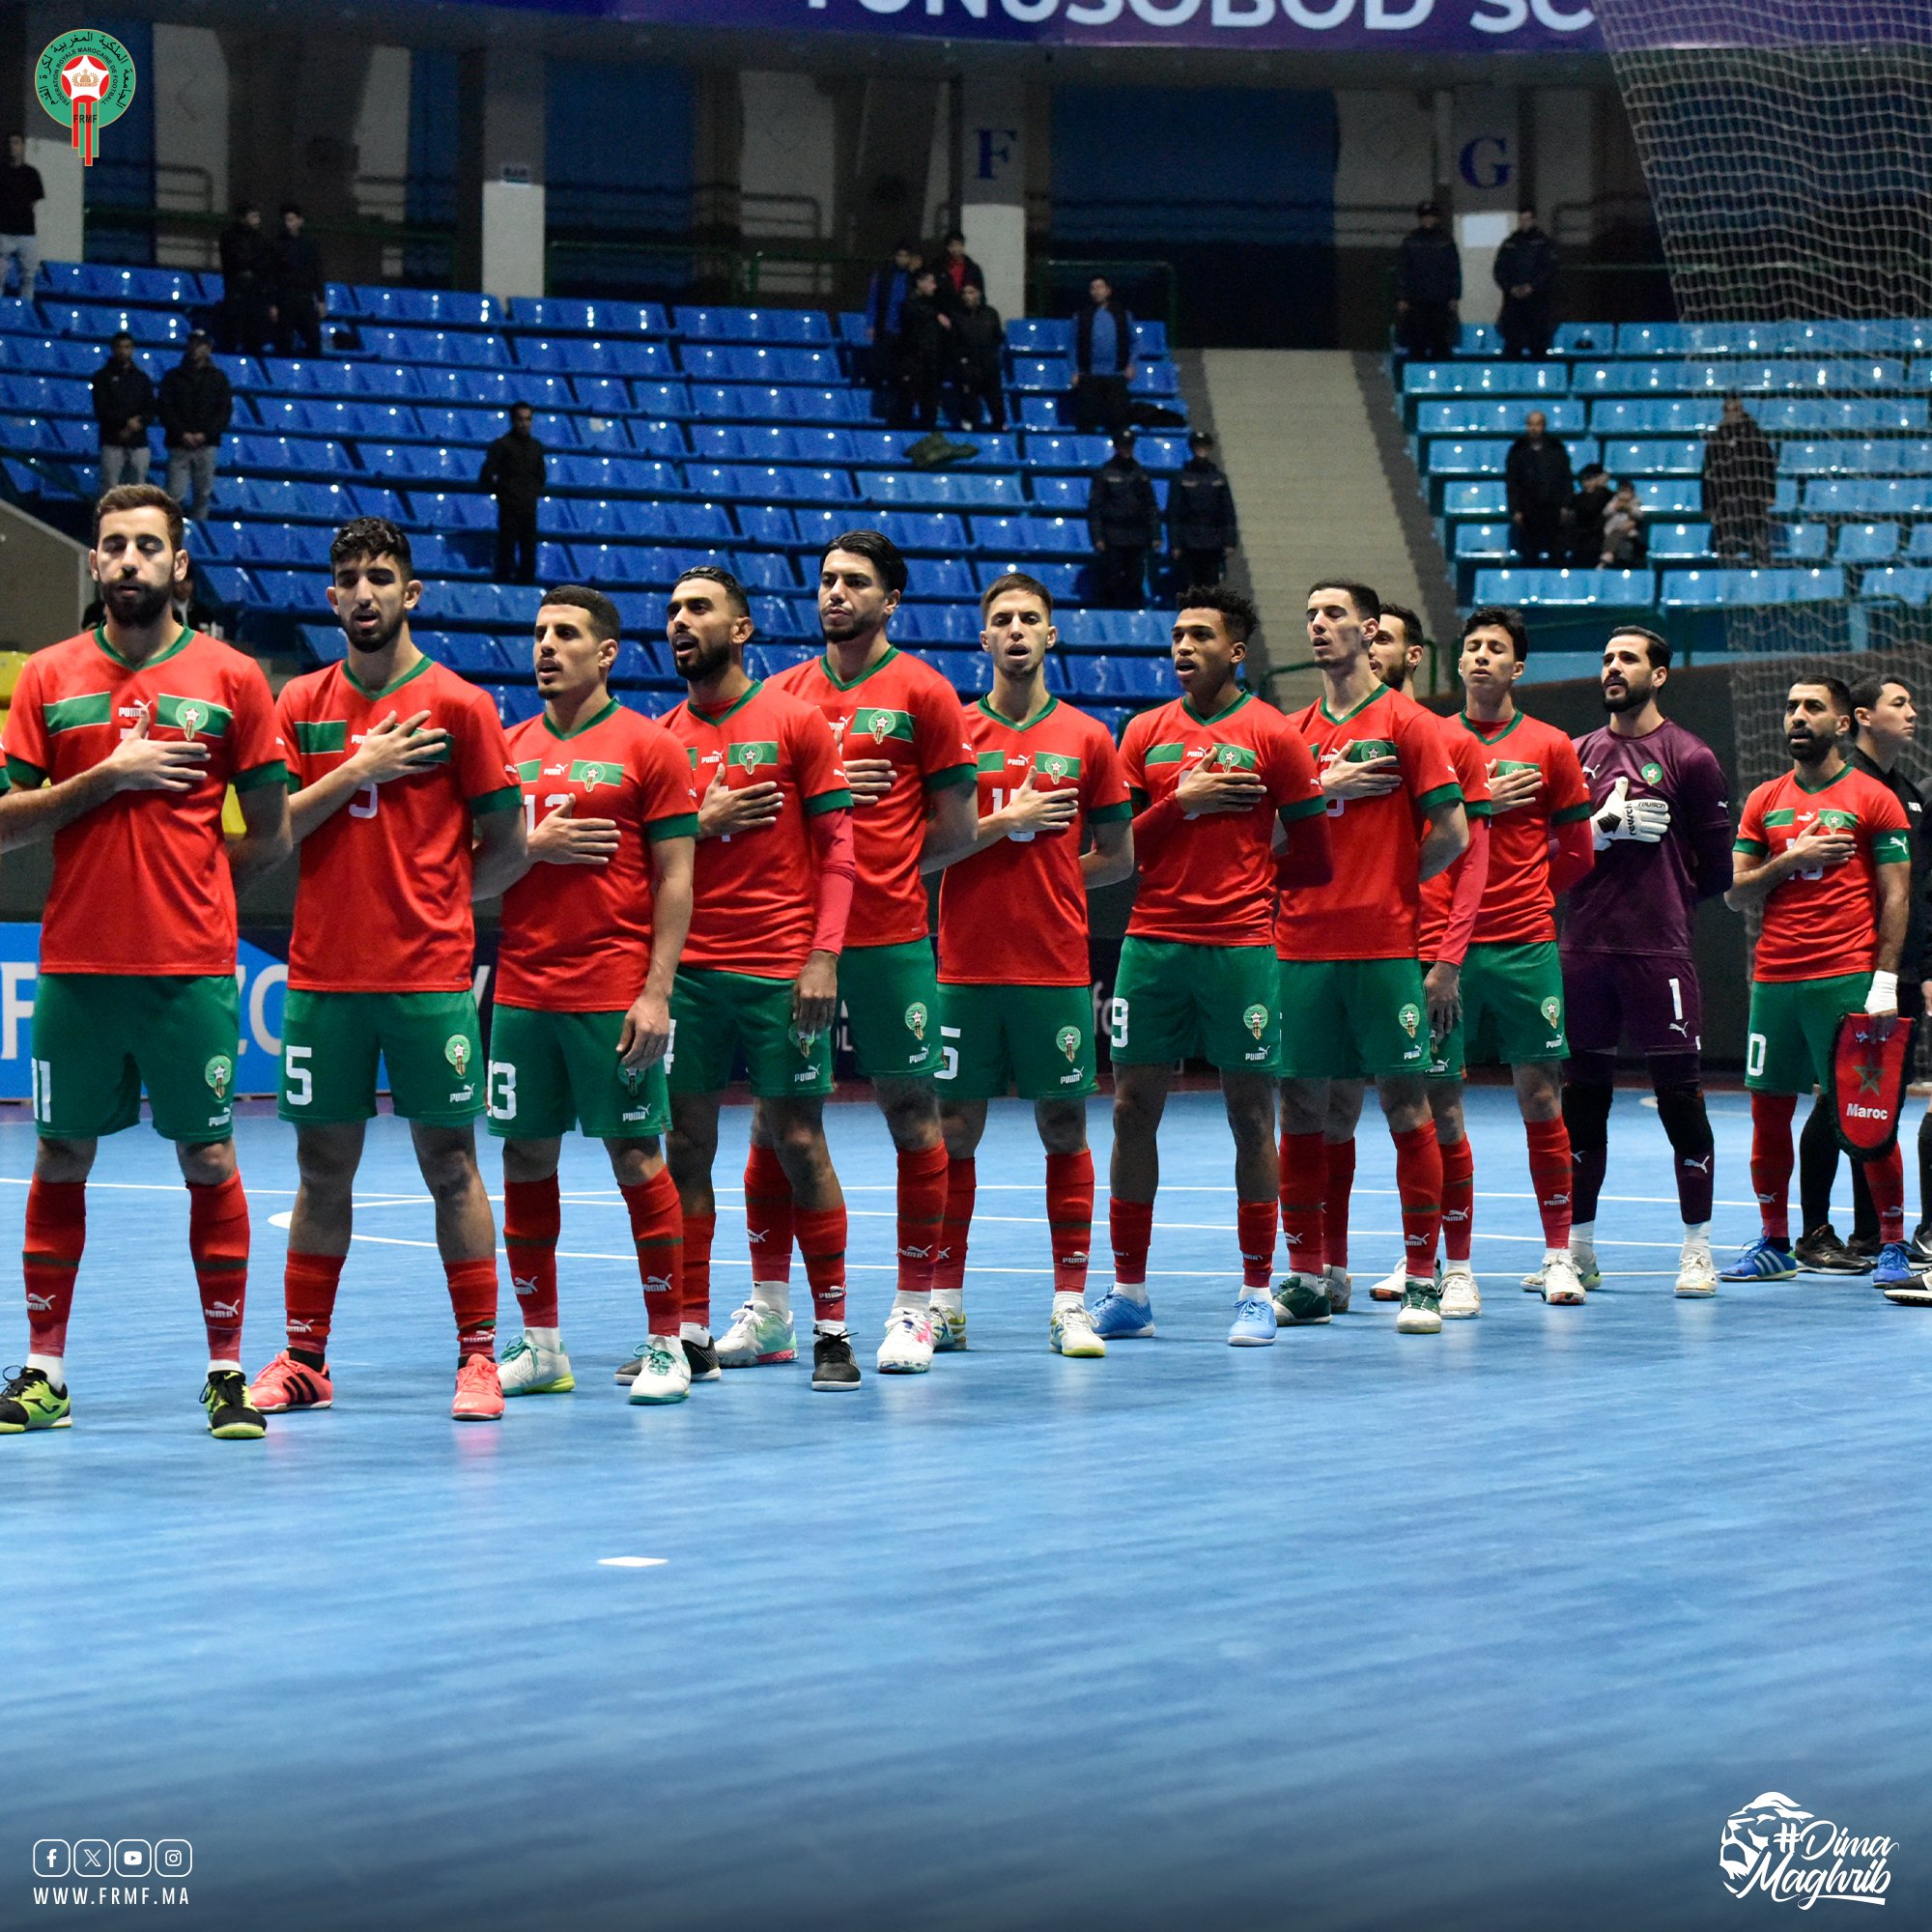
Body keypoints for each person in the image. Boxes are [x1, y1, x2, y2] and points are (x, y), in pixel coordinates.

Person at [0, 483, 291, 1440]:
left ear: (179, 566)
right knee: (60, 1154)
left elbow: (273, 831)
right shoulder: (46, 676)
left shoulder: (233, 678)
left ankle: (224, 1370)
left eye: (146, 546)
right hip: (79, 969)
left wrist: (197, 878)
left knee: (209, 1156)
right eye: (112, 545)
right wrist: (106, 779)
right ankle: (44, 1370)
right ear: (94, 563)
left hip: (190, 971)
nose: (128, 560)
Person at [247, 517, 527, 1421]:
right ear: (330, 597)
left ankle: (479, 1358)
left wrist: (441, 894)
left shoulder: (459, 704)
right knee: (321, 1168)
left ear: (410, 594)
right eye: (347, 578)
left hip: (428, 980)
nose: (363, 592)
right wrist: (358, 767)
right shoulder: (299, 704)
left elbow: (510, 843)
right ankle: (305, 1360)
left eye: (380, 577)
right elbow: (273, 832)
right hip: (325, 980)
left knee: (450, 1165)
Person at [1096, 585, 1329, 1347]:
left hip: (1239, 949)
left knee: (1250, 1114)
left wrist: (1249, 892)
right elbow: (1122, 849)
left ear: (1236, 651)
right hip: (1152, 943)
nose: (1182, 647)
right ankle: (1129, 1292)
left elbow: (1315, 856)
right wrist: (1183, 802)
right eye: (1175, 636)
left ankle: (1258, 1291)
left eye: (1200, 635)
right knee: (1131, 1110)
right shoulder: (1143, 733)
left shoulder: (1273, 734)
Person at [769, 531, 980, 1371]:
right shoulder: (784, 695)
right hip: (794, 938)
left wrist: (883, 866)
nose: (834, 594)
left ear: (890, 600)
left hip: (892, 935)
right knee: (783, 1121)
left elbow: (959, 828)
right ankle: (770, 1307)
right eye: (825, 581)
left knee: (910, 1113)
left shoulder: (925, 692)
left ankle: (914, 1308)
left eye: (854, 582)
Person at [488, 586, 697, 1405]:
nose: (545, 646)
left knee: (638, 1157)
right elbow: (478, 875)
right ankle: (542, 1347)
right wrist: (530, 848)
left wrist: (656, 993)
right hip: (522, 990)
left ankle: (666, 1343)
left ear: (606, 653)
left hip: (613, 990)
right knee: (524, 1156)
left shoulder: (650, 748)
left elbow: (677, 878)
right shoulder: (507, 749)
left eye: (565, 634)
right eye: (539, 632)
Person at [660, 567, 861, 1393]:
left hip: (782, 971)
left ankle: (833, 1333)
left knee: (800, 1140)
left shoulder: (796, 722)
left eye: (698, 609)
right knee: (686, 1150)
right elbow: (647, 869)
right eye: (672, 609)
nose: (680, 621)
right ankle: (689, 1332)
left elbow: (840, 851)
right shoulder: (659, 736)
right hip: (691, 978)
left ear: (740, 629)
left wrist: (823, 957)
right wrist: (701, 824)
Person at [930, 572, 1135, 1358]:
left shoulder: (1087, 737)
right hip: (966, 965)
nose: (1016, 631)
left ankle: (1069, 1302)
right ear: (982, 639)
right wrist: (1002, 823)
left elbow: (1117, 857)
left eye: (1030, 620)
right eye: (1002, 621)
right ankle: (943, 1301)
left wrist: (1052, 875)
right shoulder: (952, 735)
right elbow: (925, 851)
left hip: (1052, 964)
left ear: (1052, 636)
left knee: (1062, 1125)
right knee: (955, 1129)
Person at [1274, 583, 1469, 1337]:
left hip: (1386, 947)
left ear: (1369, 630)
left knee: (1404, 1104)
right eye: (1311, 614)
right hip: (1301, 948)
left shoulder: (1409, 723)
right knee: (1304, 1108)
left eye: (1333, 615)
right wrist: (1323, 790)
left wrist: (1389, 882)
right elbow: (1270, 843)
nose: (1319, 625)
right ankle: (1313, 1273)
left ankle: (1424, 1278)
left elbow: (1451, 833)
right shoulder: (1292, 732)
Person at [1322, 602, 1493, 1321]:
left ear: (1412, 654)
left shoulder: (1441, 739)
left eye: (1383, 635)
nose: (1369, 642)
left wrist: (1447, 959)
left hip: (1422, 953)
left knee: (1433, 1106)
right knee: (1330, 1105)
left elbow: (1472, 858)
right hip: (1343, 946)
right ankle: (1329, 1268)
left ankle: (1452, 1266)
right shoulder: (1325, 735)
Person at [1722, 677, 1913, 1287]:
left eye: (1812, 708)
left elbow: (1897, 894)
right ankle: (1776, 1241)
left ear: (1841, 722)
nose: (1797, 717)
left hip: (1846, 978)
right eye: (1791, 707)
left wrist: (1885, 980)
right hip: (1775, 980)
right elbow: (1733, 893)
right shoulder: (1763, 800)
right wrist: (1791, 861)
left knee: (1867, 1116)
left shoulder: (1872, 797)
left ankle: (1890, 1244)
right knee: (1768, 1116)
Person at [1562, 628, 1734, 1299]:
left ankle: (1697, 1250)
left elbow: (1718, 870)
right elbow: (1551, 855)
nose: (1612, 668)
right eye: (1605, 657)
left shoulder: (1690, 756)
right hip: (1584, 950)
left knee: (1680, 1103)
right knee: (1583, 1105)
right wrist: (1597, 834)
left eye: (1627, 659)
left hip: (1659, 951)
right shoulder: (1576, 755)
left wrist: (1667, 888)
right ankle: (1577, 1250)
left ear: (1659, 674)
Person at [1436, 608, 1597, 1306]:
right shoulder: (1431, 737)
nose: (1479, 658)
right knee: (1441, 1106)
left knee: (1540, 1096)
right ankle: (1455, 1266)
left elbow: (1580, 852)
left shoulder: (1551, 745)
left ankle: (1559, 1254)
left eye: (1494, 649)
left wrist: (1530, 893)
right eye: (1471, 647)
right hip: (1444, 947)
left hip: (1526, 945)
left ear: (1517, 668)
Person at [1794, 674, 1932, 1272]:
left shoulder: (1908, 791)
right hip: (1850, 967)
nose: (1913, 712)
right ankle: (1813, 1230)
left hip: (1901, 971)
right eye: (1899, 702)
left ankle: (1874, 1233)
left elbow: (1914, 894)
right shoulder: (1843, 787)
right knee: (1836, 1101)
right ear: (1862, 717)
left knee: (1881, 1104)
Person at [158, 331, 233, 521]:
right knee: (174, 496)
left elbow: (223, 412)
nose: (195, 348)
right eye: (192, 344)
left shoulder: (218, 378)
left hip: (206, 445)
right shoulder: (173, 377)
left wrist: (205, 435)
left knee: (203, 495)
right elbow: (165, 408)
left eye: (200, 344)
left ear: (208, 348)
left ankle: (198, 534)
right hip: (179, 444)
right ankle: (172, 536)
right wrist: (182, 433)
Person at [1088, 432, 1160, 610]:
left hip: (1137, 536)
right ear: (1116, 447)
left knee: (1135, 579)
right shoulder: (1105, 473)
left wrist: (1156, 534)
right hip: (1113, 536)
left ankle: (1134, 616)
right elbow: (1095, 508)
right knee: (1112, 580)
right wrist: (1097, 537)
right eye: (1122, 445)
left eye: (1129, 445)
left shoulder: (1141, 473)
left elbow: (1151, 506)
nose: (1126, 449)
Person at [1703, 394, 1777, 566]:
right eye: (1728, 410)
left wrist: (1770, 494)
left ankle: (1760, 581)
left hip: (1754, 502)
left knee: (1759, 547)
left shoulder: (1756, 436)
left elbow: (1768, 467)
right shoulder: (1716, 440)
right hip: (1725, 504)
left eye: (1736, 410)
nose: (1732, 414)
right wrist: (1708, 505)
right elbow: (1707, 474)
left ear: (1742, 411)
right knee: (1728, 550)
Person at [480, 402, 545, 585]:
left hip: (529, 507)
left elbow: (541, 476)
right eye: (520, 419)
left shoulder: (536, 448)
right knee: (506, 548)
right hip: (509, 507)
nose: (524, 423)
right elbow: (486, 476)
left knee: (529, 549)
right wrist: (503, 493)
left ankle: (527, 584)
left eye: (528, 419)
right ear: (513, 421)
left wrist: (532, 493)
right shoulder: (501, 446)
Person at [1167, 431, 1240, 590]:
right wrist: (1175, 544)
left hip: (1213, 542)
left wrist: (1230, 541)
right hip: (1189, 542)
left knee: (1211, 588)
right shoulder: (1181, 477)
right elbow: (1174, 513)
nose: (1201, 450)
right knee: (1191, 587)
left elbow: (1228, 511)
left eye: (1204, 446)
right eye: (1197, 446)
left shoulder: (1218, 478)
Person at [1394, 201, 1461, 361]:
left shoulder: (1446, 241)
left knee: (1440, 340)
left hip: (1440, 300)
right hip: (1417, 300)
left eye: (1431, 217)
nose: (1428, 220)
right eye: (1424, 217)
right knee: (1417, 341)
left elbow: (1454, 270)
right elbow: (1403, 270)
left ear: (1436, 218)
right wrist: (1402, 296)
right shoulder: (1410, 241)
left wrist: (1454, 295)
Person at [1506, 410, 1574, 566]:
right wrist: (1515, 509)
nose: (1533, 428)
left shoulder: (1557, 448)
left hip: (1553, 508)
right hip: (1528, 509)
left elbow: (1566, 478)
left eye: (1537, 424)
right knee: (1530, 553)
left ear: (1544, 426)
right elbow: (1512, 482)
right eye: (1530, 424)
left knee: (1557, 553)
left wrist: (1566, 504)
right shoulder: (1517, 450)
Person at [1071, 274, 1134, 439]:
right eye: (1092, 288)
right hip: (1089, 376)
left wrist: (1131, 364)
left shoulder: (1122, 314)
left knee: (1119, 421)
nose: (1095, 291)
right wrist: (1074, 371)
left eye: (1099, 287)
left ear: (1108, 290)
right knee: (1086, 422)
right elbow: (1071, 345)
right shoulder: (1081, 315)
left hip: (1116, 376)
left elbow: (1135, 342)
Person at [92, 330, 155, 492]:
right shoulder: (101, 378)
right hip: (112, 440)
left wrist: (137, 423)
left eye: (127, 347)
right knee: (109, 488)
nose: (123, 351)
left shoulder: (142, 378)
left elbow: (151, 408)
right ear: (113, 349)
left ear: (132, 349)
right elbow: (102, 410)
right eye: (119, 347)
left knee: (137, 489)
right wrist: (126, 424)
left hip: (138, 442)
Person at [1494, 207, 1556, 359]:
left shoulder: (1543, 243)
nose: (1524, 223)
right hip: (1513, 303)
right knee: (1513, 343)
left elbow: (1549, 269)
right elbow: (1500, 270)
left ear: (1534, 220)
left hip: (1537, 302)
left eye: (1527, 219)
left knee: (1538, 344)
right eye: (1521, 219)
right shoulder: (1510, 243)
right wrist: (1511, 288)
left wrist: (1532, 286)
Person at [892, 266, 948, 431]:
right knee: (906, 402)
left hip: (930, 364)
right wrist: (935, 315)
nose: (934, 286)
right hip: (913, 362)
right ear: (919, 283)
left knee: (929, 405)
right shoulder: (910, 305)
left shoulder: (934, 306)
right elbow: (912, 318)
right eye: (930, 282)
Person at [217, 202, 275, 357]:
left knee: (255, 337)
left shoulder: (261, 239)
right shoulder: (229, 236)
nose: (257, 221)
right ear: (243, 218)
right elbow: (236, 261)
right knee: (233, 334)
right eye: (253, 217)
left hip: (255, 295)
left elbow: (267, 264)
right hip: (237, 293)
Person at [950, 282, 1007, 433]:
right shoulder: (957, 316)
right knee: (968, 405)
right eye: (965, 293)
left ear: (979, 294)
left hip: (989, 367)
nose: (968, 297)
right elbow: (954, 344)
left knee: (996, 404)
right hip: (968, 368)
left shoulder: (990, 313)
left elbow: (997, 337)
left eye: (971, 292)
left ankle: (999, 430)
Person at [271, 202, 327, 358]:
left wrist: (321, 299)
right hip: (285, 298)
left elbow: (317, 272)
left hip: (305, 297)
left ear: (300, 221)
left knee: (314, 341)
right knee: (284, 343)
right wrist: (273, 302)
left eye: (291, 219)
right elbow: (272, 276)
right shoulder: (277, 245)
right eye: (286, 220)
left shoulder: (310, 245)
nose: (288, 224)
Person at [0, 132, 45, 301]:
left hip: (26, 233)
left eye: (16, 143)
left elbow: (34, 201)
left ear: (23, 146)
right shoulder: (2, 171)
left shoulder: (31, 173)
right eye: (10, 143)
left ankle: (25, 310)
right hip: (3, 232)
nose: (12, 146)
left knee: (28, 276)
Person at [1570, 463, 1612, 567]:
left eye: (1589, 479)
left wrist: (1601, 489)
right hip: (1582, 542)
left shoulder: (1608, 496)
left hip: (1602, 540)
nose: (1586, 483)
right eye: (1583, 480)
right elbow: (1589, 510)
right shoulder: (1577, 499)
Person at [934, 229, 985, 315]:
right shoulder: (939, 267)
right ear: (947, 248)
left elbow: (981, 293)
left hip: (967, 312)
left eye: (958, 245)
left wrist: (980, 314)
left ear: (963, 246)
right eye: (952, 246)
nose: (955, 249)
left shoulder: (973, 268)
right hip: (945, 312)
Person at [1599, 477, 1646, 567]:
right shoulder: (1614, 502)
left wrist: (1630, 509)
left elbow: (1640, 515)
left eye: (1627, 492)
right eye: (1622, 492)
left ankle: (1611, 555)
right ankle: (1608, 554)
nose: (1624, 495)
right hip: (1613, 529)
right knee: (1612, 537)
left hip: (1629, 531)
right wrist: (1615, 507)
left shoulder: (1635, 503)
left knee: (1624, 544)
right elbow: (1605, 512)